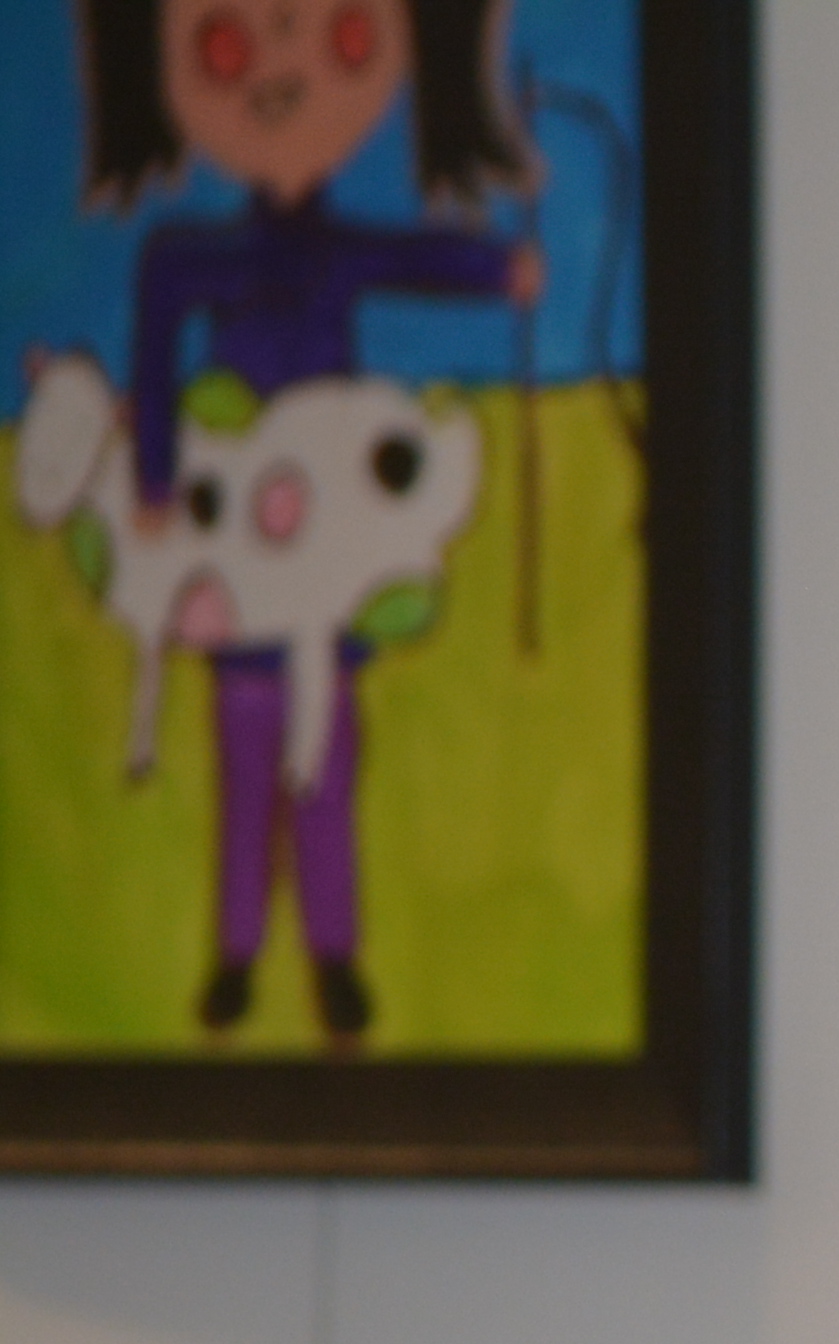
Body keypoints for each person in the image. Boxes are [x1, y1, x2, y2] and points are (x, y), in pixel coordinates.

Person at [72, 0, 538, 1038]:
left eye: (342, 33)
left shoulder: (340, 248)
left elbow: (422, 257)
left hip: (330, 547)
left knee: (326, 752)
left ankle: (333, 954)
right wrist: (154, 483)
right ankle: (238, 952)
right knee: (247, 750)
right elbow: (154, 362)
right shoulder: (188, 257)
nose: (281, 61)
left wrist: (499, 271)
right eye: (229, 38)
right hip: (235, 551)